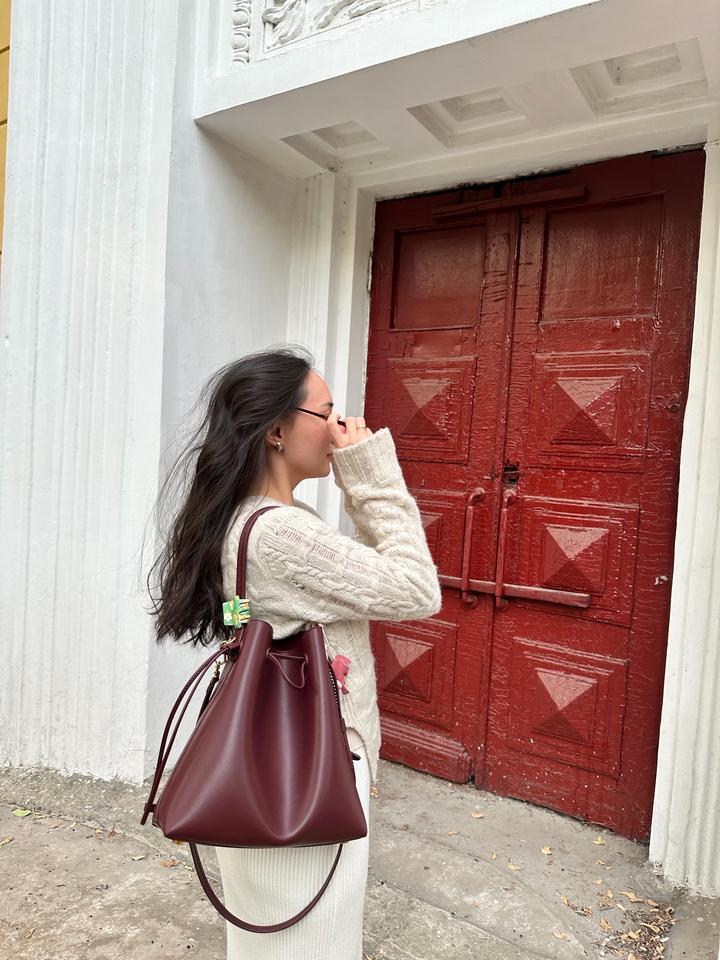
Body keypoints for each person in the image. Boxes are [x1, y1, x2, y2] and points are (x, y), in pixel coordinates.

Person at [147, 344, 442, 960]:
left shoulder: (253, 517)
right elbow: (416, 589)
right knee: (312, 944)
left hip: (270, 761)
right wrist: (371, 472)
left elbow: (367, 585)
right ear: (276, 431)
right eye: (327, 413)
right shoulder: (282, 533)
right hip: (310, 768)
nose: (341, 428)